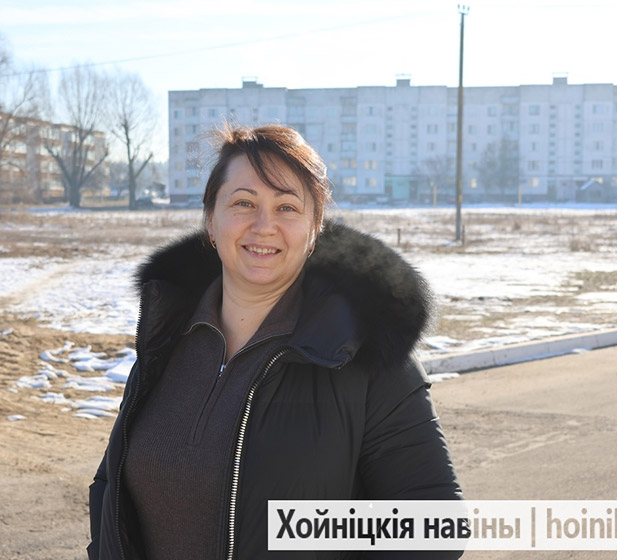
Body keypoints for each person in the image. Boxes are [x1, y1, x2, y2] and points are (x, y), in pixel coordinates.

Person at [88, 124, 463, 560]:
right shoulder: (166, 339)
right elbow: (110, 488)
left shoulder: (366, 356)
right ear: (211, 221)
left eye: (287, 207)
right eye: (244, 203)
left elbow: (434, 527)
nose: (264, 226)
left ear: (314, 230)